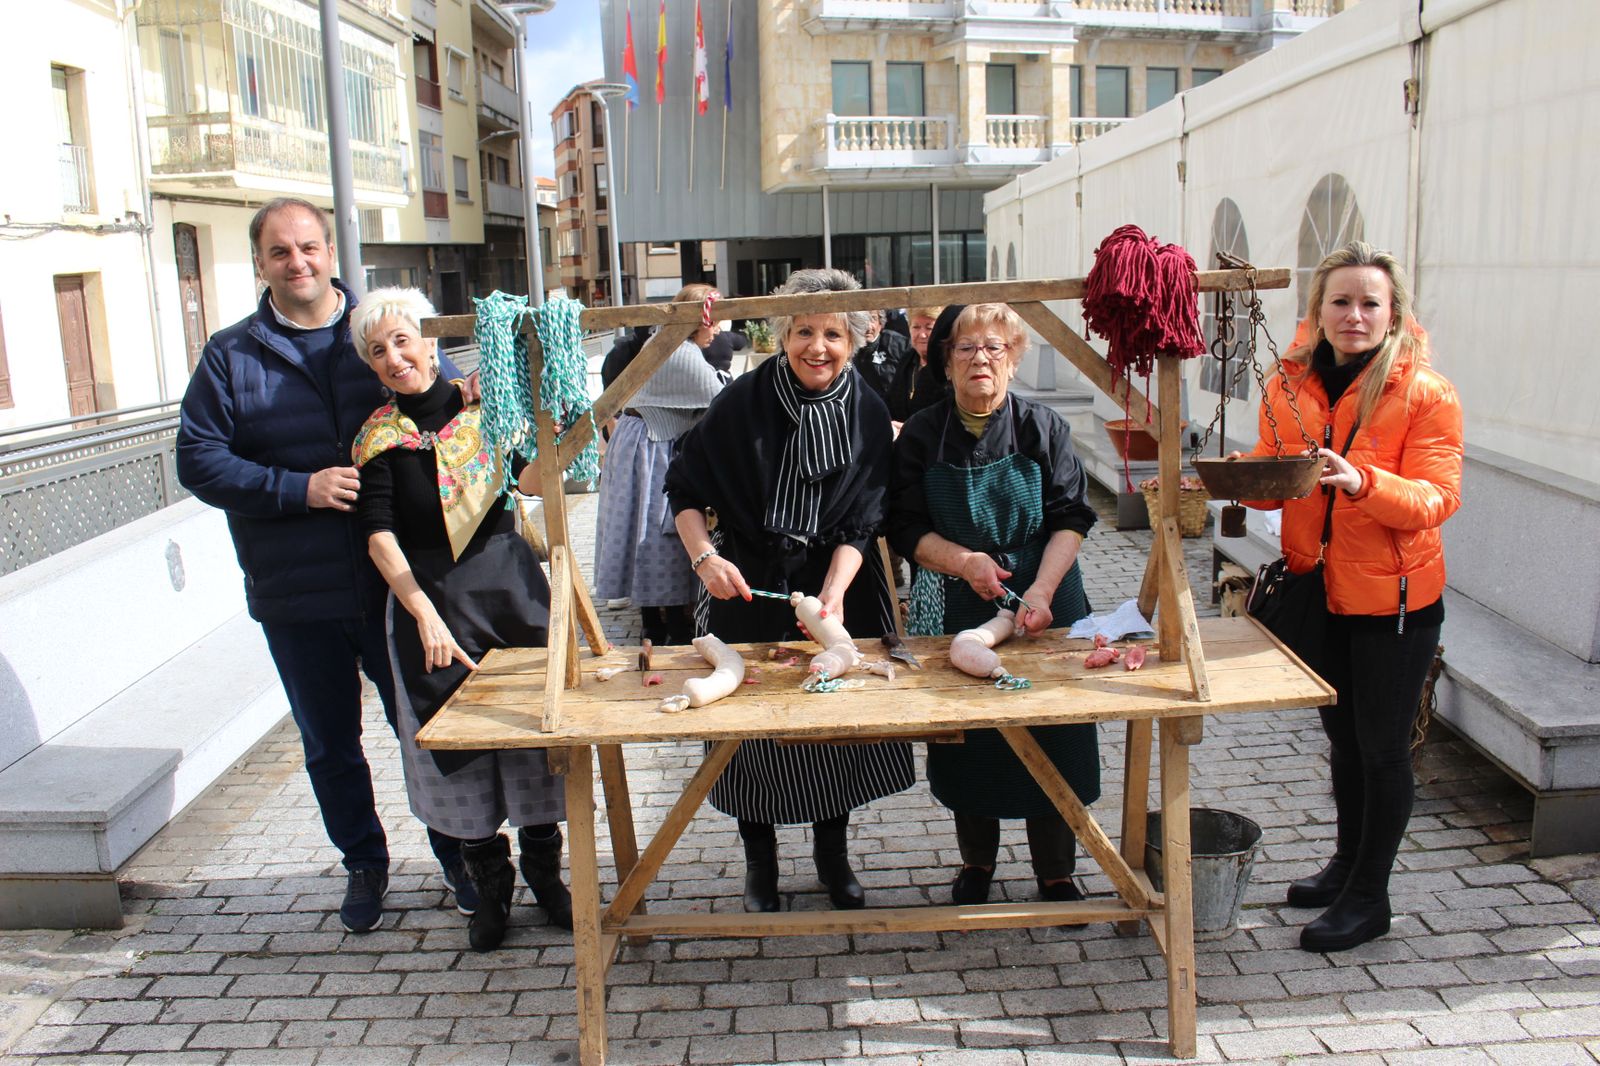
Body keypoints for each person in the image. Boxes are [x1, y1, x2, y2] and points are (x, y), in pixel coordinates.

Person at [177, 198, 473, 933]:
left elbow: (449, 395)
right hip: (295, 592)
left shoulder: (376, 331)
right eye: (281, 252)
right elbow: (198, 459)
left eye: (308, 247)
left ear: (331, 252)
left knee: (426, 729)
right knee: (330, 746)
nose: (298, 262)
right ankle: (364, 865)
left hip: (396, 588)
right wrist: (295, 489)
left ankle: (461, 856)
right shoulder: (230, 356)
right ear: (261, 263)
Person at [665, 268, 914, 913]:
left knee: (833, 730)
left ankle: (834, 857)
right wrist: (703, 559)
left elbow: (866, 521)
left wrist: (831, 596)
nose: (817, 346)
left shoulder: (868, 410)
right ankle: (761, 864)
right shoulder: (742, 400)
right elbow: (685, 491)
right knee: (753, 735)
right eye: (804, 329)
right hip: (745, 582)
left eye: (833, 332)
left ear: (855, 340)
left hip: (840, 584)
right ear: (782, 332)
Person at [1248, 242, 1461, 952]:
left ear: (1393, 311)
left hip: (1395, 603)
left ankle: (1371, 897)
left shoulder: (1424, 392)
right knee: (1340, 739)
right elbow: (1270, 467)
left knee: (1382, 749)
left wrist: (1365, 483)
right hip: (1320, 591)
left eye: (1371, 302)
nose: (1355, 315)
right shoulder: (1289, 383)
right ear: (1318, 310)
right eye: (1340, 301)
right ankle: (1345, 866)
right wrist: (1218, 479)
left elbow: (1438, 497)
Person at [348, 287, 572, 951]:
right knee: (462, 756)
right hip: (434, 609)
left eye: (403, 340)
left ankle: (547, 877)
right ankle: (490, 892)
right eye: (378, 349)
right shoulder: (378, 438)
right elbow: (378, 534)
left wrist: (556, 428)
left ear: (431, 342)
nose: (394, 356)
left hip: (514, 595)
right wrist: (423, 614)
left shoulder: (490, 412)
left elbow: (530, 482)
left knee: (536, 741)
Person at [887, 303, 1099, 905]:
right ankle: (976, 866)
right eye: (965, 348)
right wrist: (965, 562)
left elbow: (1071, 516)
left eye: (994, 348)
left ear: (1013, 359)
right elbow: (904, 527)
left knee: (1053, 730)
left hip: (1045, 596)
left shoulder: (1042, 428)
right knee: (973, 739)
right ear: (946, 363)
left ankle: (1056, 872)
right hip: (959, 602)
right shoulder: (924, 432)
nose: (980, 358)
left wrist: (1040, 590)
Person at [594, 284, 727, 646]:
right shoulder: (680, 352)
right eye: (712, 322)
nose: (716, 331)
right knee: (657, 532)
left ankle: (654, 619)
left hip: (638, 440)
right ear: (696, 320)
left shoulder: (661, 341)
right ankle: (671, 626)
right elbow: (720, 399)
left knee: (642, 530)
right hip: (651, 446)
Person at [851, 309, 917, 425]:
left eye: (873, 319)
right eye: (863, 319)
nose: (868, 325)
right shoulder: (847, 346)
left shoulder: (897, 344)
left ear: (881, 324)